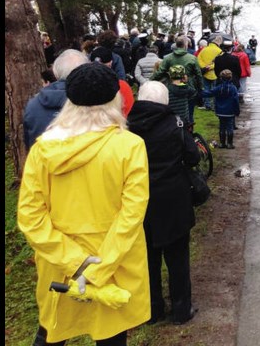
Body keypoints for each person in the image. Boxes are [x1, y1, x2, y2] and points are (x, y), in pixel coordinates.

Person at [17, 62, 151, 345]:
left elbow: (31, 217)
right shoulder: (130, 146)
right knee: (112, 336)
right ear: (117, 98)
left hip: (59, 265)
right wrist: (98, 268)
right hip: (115, 264)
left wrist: (75, 262)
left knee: (52, 332)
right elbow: (131, 216)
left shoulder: (44, 149)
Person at [127, 81, 199, 325]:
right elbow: (192, 156)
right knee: (178, 257)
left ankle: (152, 309)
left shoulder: (125, 127)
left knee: (146, 258)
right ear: (165, 101)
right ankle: (181, 309)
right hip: (172, 198)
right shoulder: (175, 124)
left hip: (137, 200)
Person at [24, 49, 90, 149]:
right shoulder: (95, 101)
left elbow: (29, 143)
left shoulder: (33, 105)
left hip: (44, 161)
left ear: (55, 72)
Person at [201, 69, 240, 148]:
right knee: (230, 127)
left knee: (222, 126)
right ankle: (229, 143)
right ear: (231, 78)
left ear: (221, 78)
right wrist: (237, 111)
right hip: (230, 111)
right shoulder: (233, 88)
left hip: (220, 111)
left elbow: (208, 93)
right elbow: (236, 100)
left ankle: (222, 143)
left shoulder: (218, 88)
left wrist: (199, 92)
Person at [197, 36, 223, 109]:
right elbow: (220, 62)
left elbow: (199, 59)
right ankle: (215, 105)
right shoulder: (219, 51)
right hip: (215, 73)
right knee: (215, 89)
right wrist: (211, 67)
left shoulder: (204, 50)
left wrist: (205, 67)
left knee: (206, 89)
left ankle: (207, 105)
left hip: (205, 72)